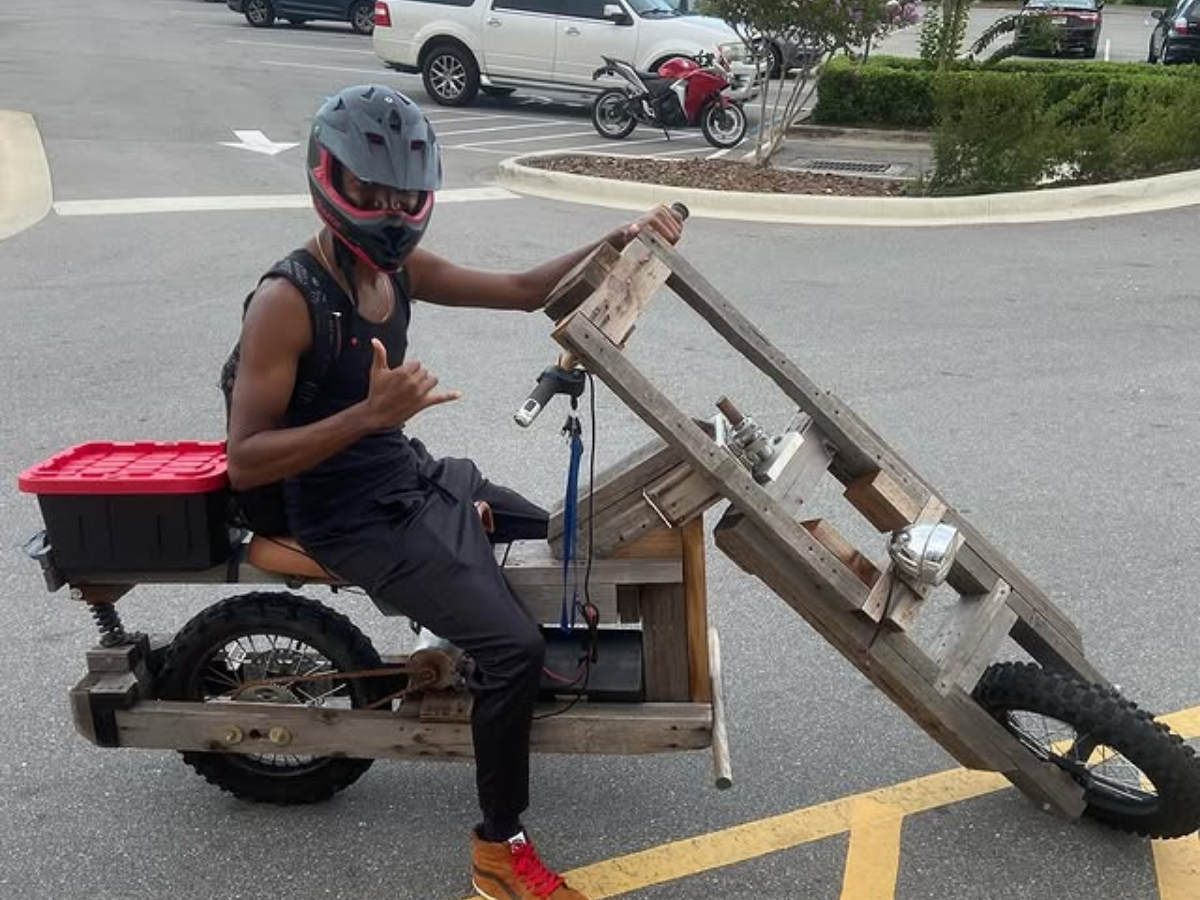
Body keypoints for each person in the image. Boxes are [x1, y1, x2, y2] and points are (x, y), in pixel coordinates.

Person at [224, 84, 684, 900]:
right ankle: (497, 851)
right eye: (371, 192)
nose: (392, 210)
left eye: (405, 193)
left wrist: (608, 244)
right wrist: (369, 415)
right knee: (514, 649)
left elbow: (518, 289)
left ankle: (473, 654)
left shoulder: (395, 270)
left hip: (404, 478)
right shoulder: (288, 301)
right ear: (329, 181)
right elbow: (248, 461)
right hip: (343, 517)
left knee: (561, 528)